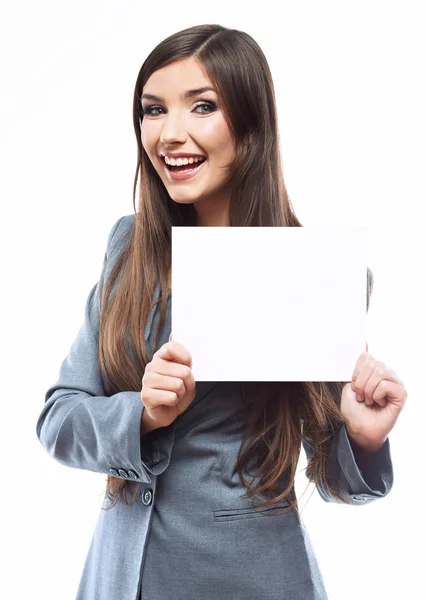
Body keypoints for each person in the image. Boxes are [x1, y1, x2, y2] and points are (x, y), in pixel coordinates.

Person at [35, 24, 408, 600]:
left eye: (202, 106)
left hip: (247, 579)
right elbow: (59, 417)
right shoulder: (129, 248)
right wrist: (143, 415)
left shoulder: (311, 271)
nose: (169, 134)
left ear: (252, 125)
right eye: (153, 110)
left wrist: (361, 439)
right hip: (114, 578)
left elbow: (332, 479)